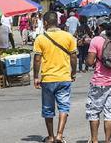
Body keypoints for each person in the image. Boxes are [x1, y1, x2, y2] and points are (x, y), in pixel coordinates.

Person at [32, 11, 78, 143]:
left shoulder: (40, 38)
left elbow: (37, 59)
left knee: (48, 109)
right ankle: (59, 135)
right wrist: (73, 73)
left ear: (45, 23)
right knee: (64, 107)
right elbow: (73, 57)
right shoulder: (68, 36)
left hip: (48, 79)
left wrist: (36, 76)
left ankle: (51, 137)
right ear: (57, 22)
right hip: (64, 77)